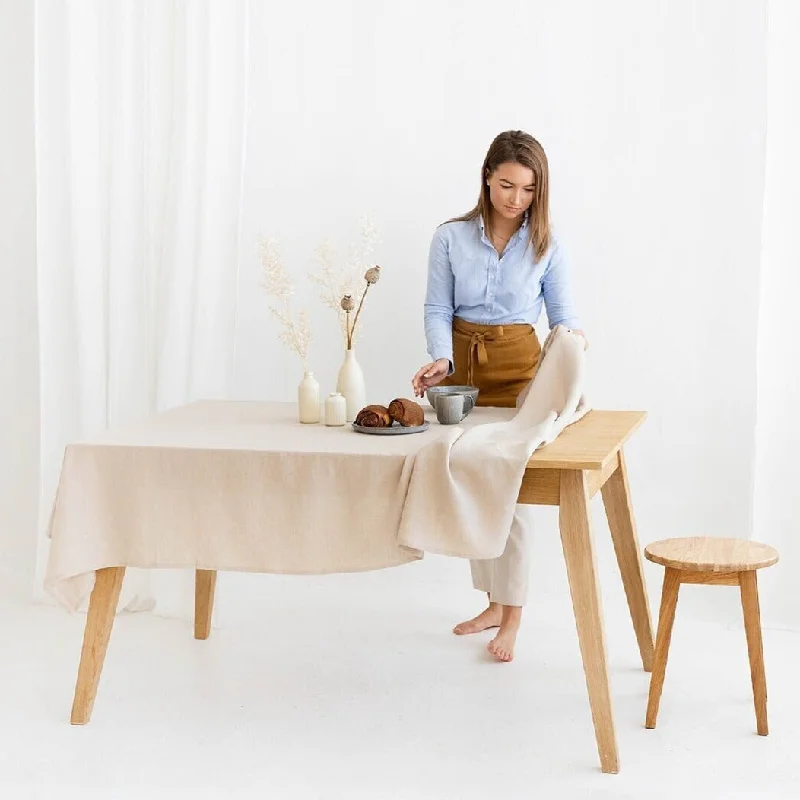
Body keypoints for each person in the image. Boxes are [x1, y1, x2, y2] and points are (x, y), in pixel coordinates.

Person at [411, 130, 587, 662]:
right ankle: (492, 601)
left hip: (521, 374)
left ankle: (512, 615)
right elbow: (437, 308)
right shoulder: (450, 238)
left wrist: (576, 350)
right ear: (487, 177)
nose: (516, 199)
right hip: (462, 372)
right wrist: (440, 358)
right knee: (473, 481)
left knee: (512, 491)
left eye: (529, 190)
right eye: (507, 185)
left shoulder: (547, 246)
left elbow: (564, 321)